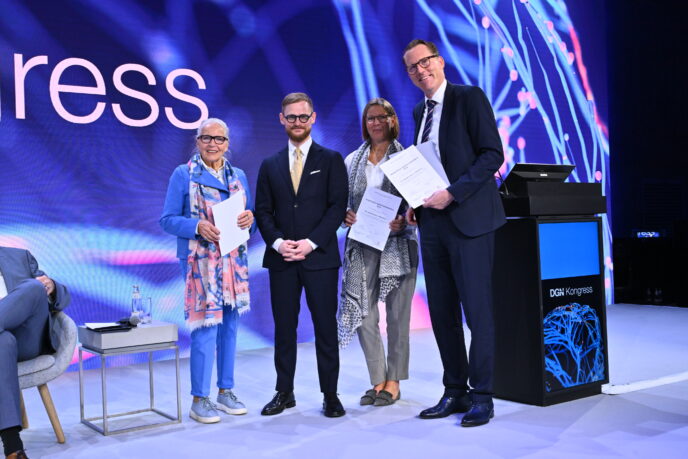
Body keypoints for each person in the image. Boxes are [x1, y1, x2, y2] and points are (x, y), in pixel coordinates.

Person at [402, 39, 506, 427]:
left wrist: (453, 193)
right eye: (412, 67)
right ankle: (455, 391)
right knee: (442, 313)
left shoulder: (468, 98)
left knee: (477, 313)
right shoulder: (419, 112)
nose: (420, 70)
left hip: (470, 220)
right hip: (433, 224)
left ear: (440, 61)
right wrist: (415, 204)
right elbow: (426, 167)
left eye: (425, 61)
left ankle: (483, 396)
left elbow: (492, 154)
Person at [255, 92, 348, 418]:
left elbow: (337, 207)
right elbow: (262, 211)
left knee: (325, 328)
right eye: (291, 117)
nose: (297, 122)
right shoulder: (270, 164)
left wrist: (311, 242)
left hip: (319, 258)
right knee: (284, 328)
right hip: (282, 260)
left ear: (313, 118)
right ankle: (284, 392)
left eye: (303, 116)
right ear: (282, 119)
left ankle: (330, 395)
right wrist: (278, 243)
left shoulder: (331, 159)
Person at [160, 118, 254, 424]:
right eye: (206, 138)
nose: (213, 144)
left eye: (219, 139)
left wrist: (249, 219)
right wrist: (197, 226)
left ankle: (225, 391)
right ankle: (199, 399)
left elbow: (247, 218)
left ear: (227, 144)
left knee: (230, 327)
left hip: (233, 261)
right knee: (206, 326)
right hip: (199, 261)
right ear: (197, 141)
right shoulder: (183, 174)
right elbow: (167, 220)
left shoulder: (238, 176)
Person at [338, 98, 419, 407]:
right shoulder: (352, 161)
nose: (376, 122)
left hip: (399, 244)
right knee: (363, 313)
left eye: (382, 117)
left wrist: (405, 221)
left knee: (398, 317)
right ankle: (377, 379)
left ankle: (394, 381)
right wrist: (345, 215)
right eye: (370, 118)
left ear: (392, 120)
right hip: (362, 245)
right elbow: (343, 202)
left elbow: (419, 203)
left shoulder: (407, 159)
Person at [1, 246, 71, 459]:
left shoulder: (19, 256)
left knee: (34, 286)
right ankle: (13, 446)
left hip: (27, 338)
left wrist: (53, 287)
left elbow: (63, 300)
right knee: (3, 341)